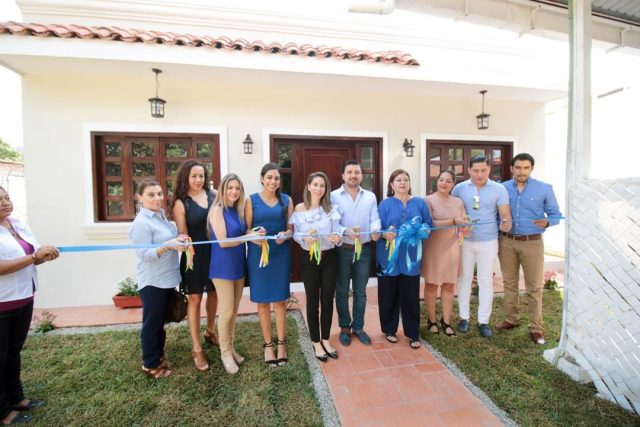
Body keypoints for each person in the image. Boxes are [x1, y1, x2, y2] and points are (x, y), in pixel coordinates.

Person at [0, 186, 59, 425]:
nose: (5, 202)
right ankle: (3, 411)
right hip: (2, 303)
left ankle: (17, 398)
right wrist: (34, 258)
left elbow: (31, 258)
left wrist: (44, 257)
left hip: (24, 297)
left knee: (13, 353)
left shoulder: (17, 225)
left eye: (6, 197)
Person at [497, 153, 561, 344]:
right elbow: (495, 213)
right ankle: (511, 319)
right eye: (518, 167)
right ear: (511, 168)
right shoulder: (502, 189)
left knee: (534, 287)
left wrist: (547, 222)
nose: (521, 171)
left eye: (526, 168)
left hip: (532, 242)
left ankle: (536, 328)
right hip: (507, 242)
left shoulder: (544, 188)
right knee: (509, 283)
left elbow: (556, 214)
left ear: (531, 168)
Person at [129, 180, 186, 379]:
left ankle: (159, 355)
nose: (157, 198)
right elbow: (144, 254)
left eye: (160, 194)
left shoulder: (161, 216)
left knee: (160, 321)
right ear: (140, 198)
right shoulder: (141, 223)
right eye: (151, 195)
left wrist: (179, 240)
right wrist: (169, 245)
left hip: (167, 278)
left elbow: (170, 238)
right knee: (152, 324)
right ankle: (150, 364)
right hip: (153, 281)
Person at [452, 155, 511, 337]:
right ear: (469, 170)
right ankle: (464, 318)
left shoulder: (499, 189)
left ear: (488, 170)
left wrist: (506, 223)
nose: (480, 174)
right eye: (476, 170)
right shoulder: (459, 189)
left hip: (489, 241)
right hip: (465, 241)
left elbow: (504, 214)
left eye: (483, 170)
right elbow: (453, 211)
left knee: (486, 280)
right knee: (465, 279)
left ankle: (483, 321)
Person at [208, 174, 261, 375]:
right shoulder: (217, 210)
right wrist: (248, 237)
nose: (234, 192)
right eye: (230, 188)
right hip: (222, 266)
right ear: (223, 189)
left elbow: (245, 232)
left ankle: (231, 347)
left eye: (237, 188)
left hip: (239, 264)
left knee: (235, 310)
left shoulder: (237, 210)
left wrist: (255, 232)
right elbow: (223, 242)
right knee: (227, 310)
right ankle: (224, 353)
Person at [170, 160, 219, 372]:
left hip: (215, 253)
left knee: (215, 293)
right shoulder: (181, 203)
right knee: (196, 298)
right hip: (194, 256)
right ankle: (197, 348)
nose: (198, 180)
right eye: (194, 176)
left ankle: (210, 331)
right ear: (186, 178)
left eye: (201, 176)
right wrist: (186, 244)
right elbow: (183, 234)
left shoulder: (214, 195)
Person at [289, 172, 342, 362]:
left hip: (329, 258)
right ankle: (315, 341)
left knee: (327, 300)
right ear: (309, 186)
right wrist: (304, 238)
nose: (319, 188)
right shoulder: (299, 208)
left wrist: (337, 237)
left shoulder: (331, 208)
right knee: (312, 301)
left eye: (322, 185)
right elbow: (295, 235)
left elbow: (337, 232)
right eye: (316, 184)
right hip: (309, 258)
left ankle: (326, 339)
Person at [377, 169, 432, 349]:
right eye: (398, 180)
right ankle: (389, 329)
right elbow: (377, 228)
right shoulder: (384, 204)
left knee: (410, 295)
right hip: (389, 256)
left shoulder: (420, 203)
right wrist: (386, 234)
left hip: (411, 257)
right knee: (388, 295)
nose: (402, 182)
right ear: (391, 185)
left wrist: (423, 231)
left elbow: (428, 225)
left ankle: (413, 332)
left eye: (405, 179)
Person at [245, 163, 293, 367]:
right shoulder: (251, 200)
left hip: (281, 253)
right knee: (263, 301)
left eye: (277, 178)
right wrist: (252, 236)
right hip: (259, 255)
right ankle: (267, 345)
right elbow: (246, 229)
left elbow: (292, 228)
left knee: (280, 300)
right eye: (270, 177)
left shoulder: (287, 200)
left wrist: (286, 235)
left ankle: (281, 343)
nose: (273, 181)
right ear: (262, 178)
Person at [331, 160, 380, 347]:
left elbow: (375, 219)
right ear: (343, 175)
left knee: (361, 292)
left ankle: (358, 327)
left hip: (364, 250)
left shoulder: (370, 197)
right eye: (349, 172)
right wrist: (345, 231)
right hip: (342, 250)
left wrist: (376, 230)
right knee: (342, 291)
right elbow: (332, 223)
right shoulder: (333, 196)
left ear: (361, 175)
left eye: (357, 172)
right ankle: (344, 327)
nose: (353, 175)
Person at [421, 170, 469, 337]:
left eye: (448, 181)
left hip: (452, 246)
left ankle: (446, 321)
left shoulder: (458, 202)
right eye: (441, 179)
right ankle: (432, 320)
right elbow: (429, 223)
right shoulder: (428, 200)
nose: (444, 183)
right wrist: (453, 221)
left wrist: (466, 225)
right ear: (437, 181)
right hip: (433, 245)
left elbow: (464, 221)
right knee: (432, 284)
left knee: (449, 284)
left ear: (453, 184)